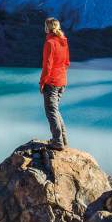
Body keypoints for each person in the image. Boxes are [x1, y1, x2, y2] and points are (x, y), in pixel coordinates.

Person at [40, 16, 70, 150]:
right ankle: (62, 139)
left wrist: (42, 82)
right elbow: (67, 62)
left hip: (51, 82)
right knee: (55, 110)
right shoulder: (63, 41)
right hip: (61, 81)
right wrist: (61, 75)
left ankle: (57, 142)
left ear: (48, 27)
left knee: (51, 112)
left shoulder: (50, 43)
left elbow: (47, 65)